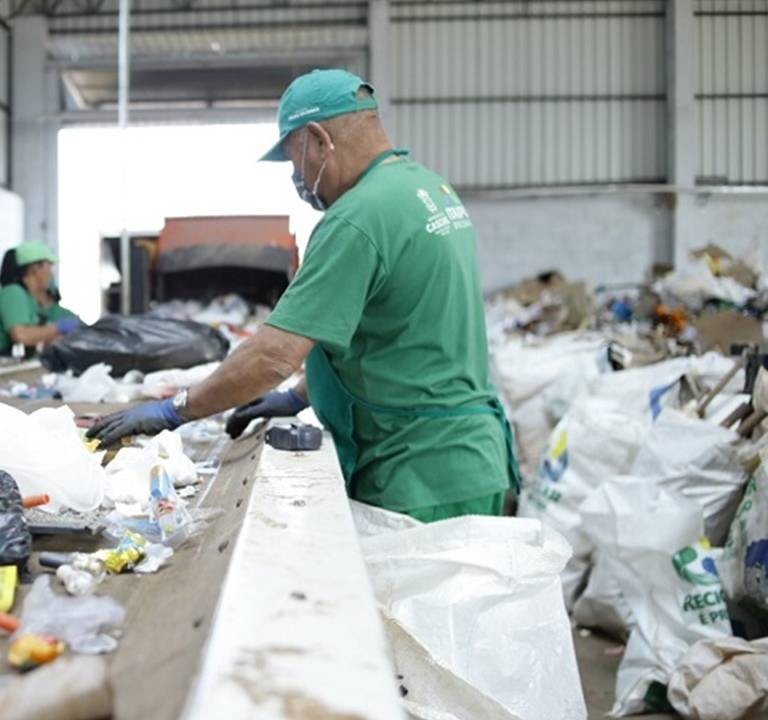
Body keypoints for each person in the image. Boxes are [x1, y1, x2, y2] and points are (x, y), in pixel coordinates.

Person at [88, 69, 519, 523]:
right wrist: (298, 396)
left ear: (318, 139)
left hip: (416, 471)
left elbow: (273, 354)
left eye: (295, 160)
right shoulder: (427, 189)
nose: (297, 176)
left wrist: (175, 409)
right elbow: (397, 331)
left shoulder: (358, 217)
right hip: (465, 459)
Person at [0, 241, 82, 350]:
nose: (51, 273)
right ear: (35, 268)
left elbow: (39, 338)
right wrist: (58, 327)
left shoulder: (31, 301)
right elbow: (21, 336)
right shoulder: (13, 292)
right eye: (49, 266)